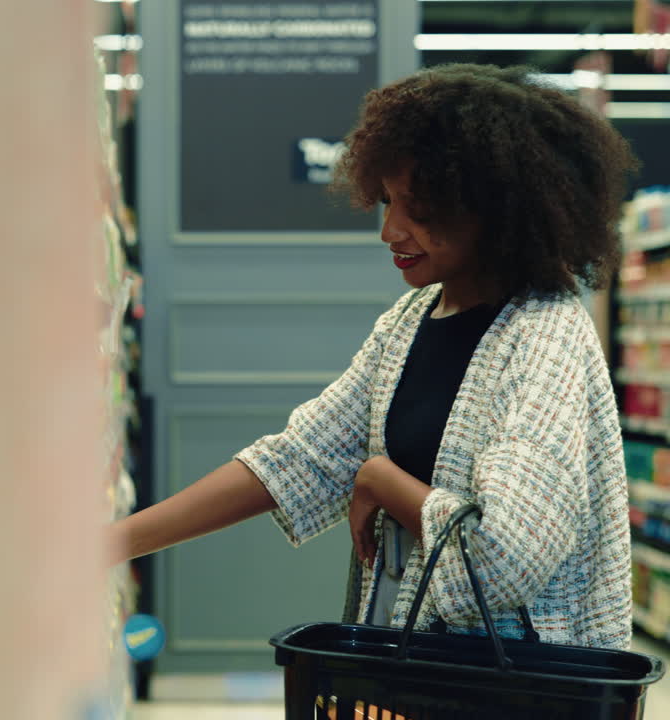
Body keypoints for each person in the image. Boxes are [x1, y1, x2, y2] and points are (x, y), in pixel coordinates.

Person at [110, 64, 638, 650]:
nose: (390, 231)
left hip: (519, 691)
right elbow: (298, 461)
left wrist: (382, 478)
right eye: (387, 201)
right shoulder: (409, 323)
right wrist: (109, 544)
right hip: (418, 672)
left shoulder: (546, 339)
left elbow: (502, 559)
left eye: (419, 209)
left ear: (497, 210)